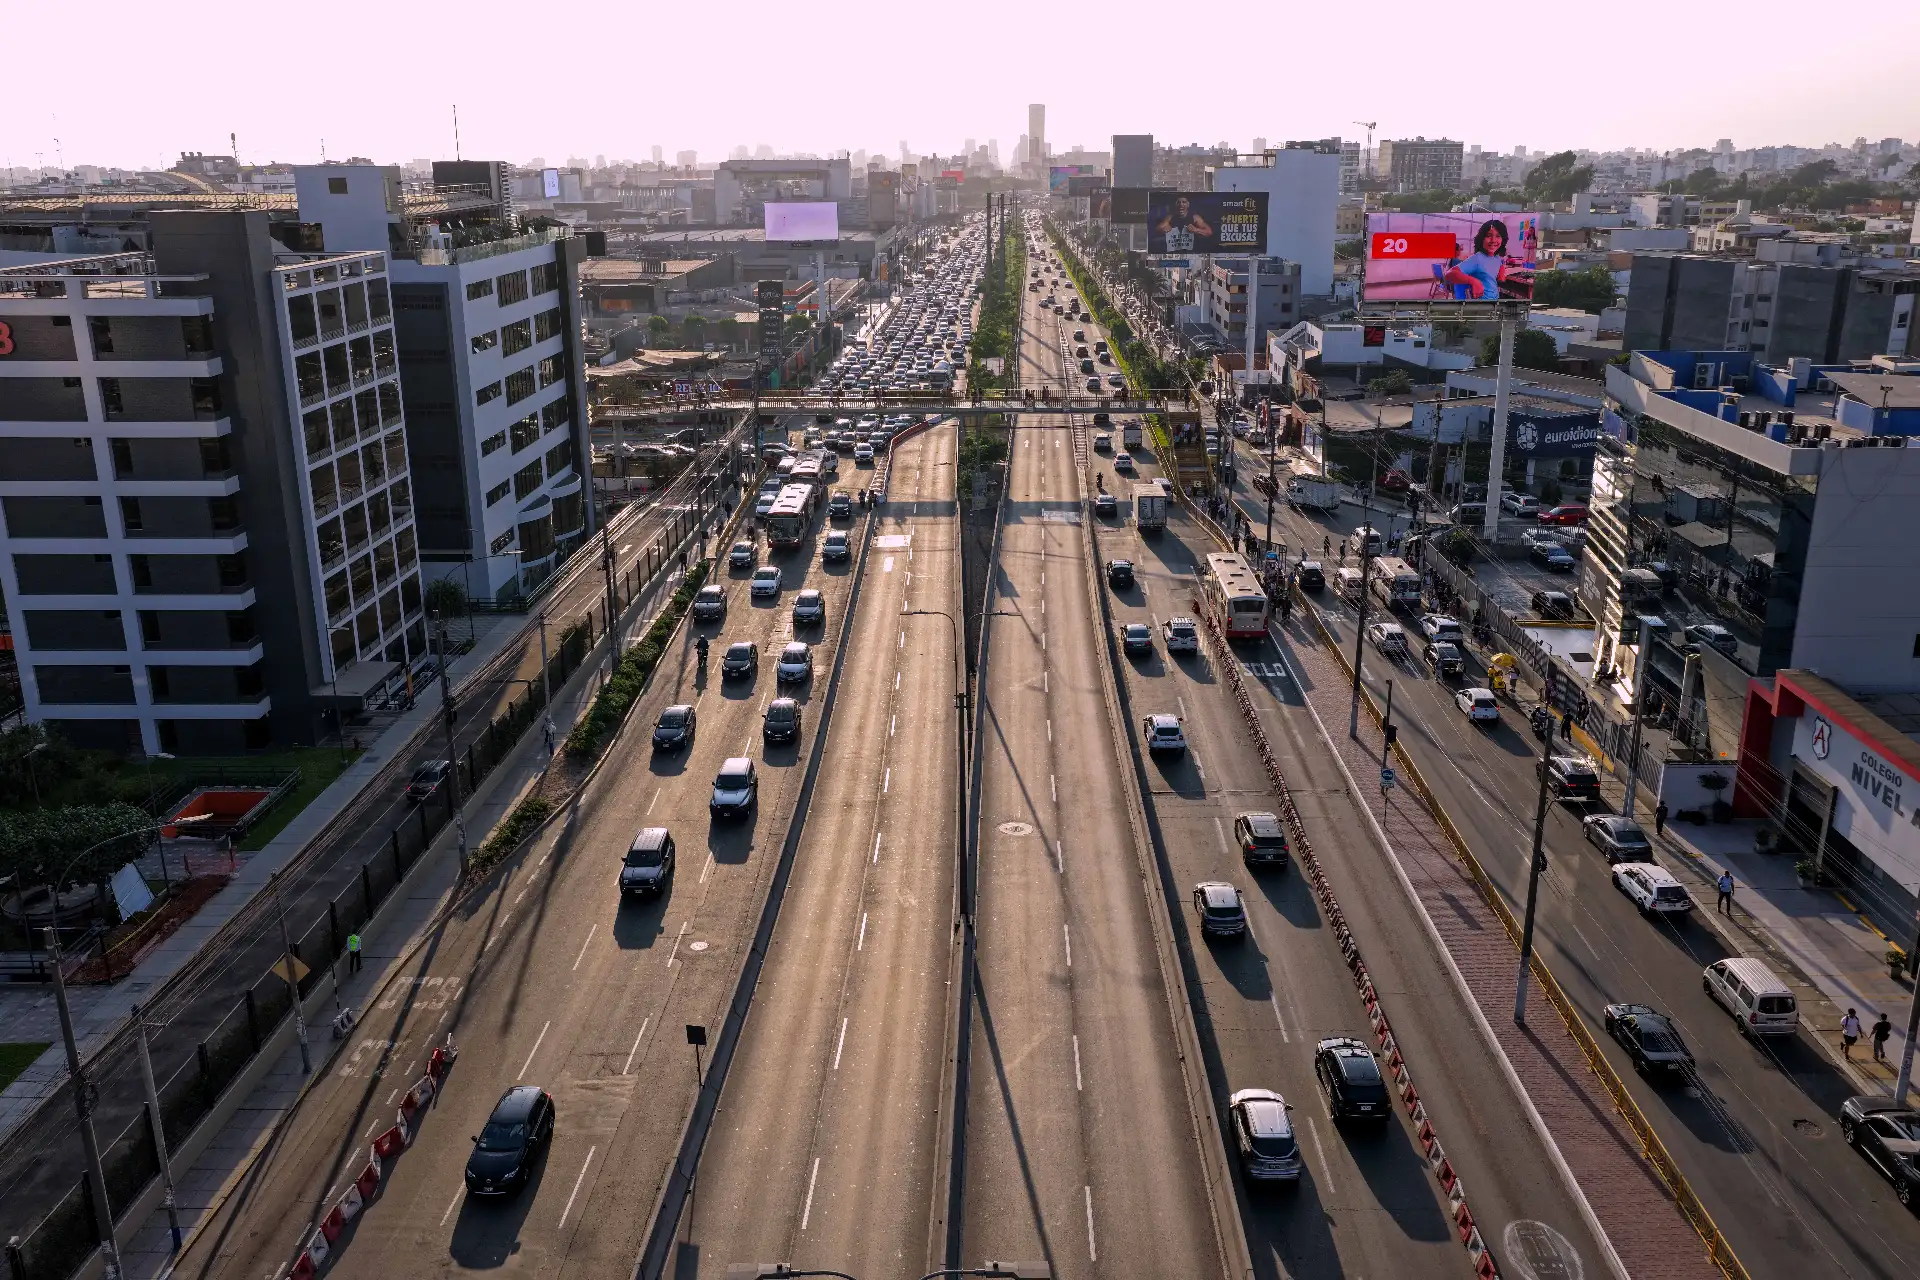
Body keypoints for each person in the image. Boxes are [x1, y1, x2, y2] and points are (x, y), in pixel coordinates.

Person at [1441, 219, 1513, 301]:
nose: (1493, 240)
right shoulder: (1477, 258)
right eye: (1488, 235)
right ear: (1482, 238)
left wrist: (1502, 269)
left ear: (1503, 239)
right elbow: (1449, 274)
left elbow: (1499, 263)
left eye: (1498, 236)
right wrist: (1473, 281)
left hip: (1495, 298)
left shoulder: (1497, 257)